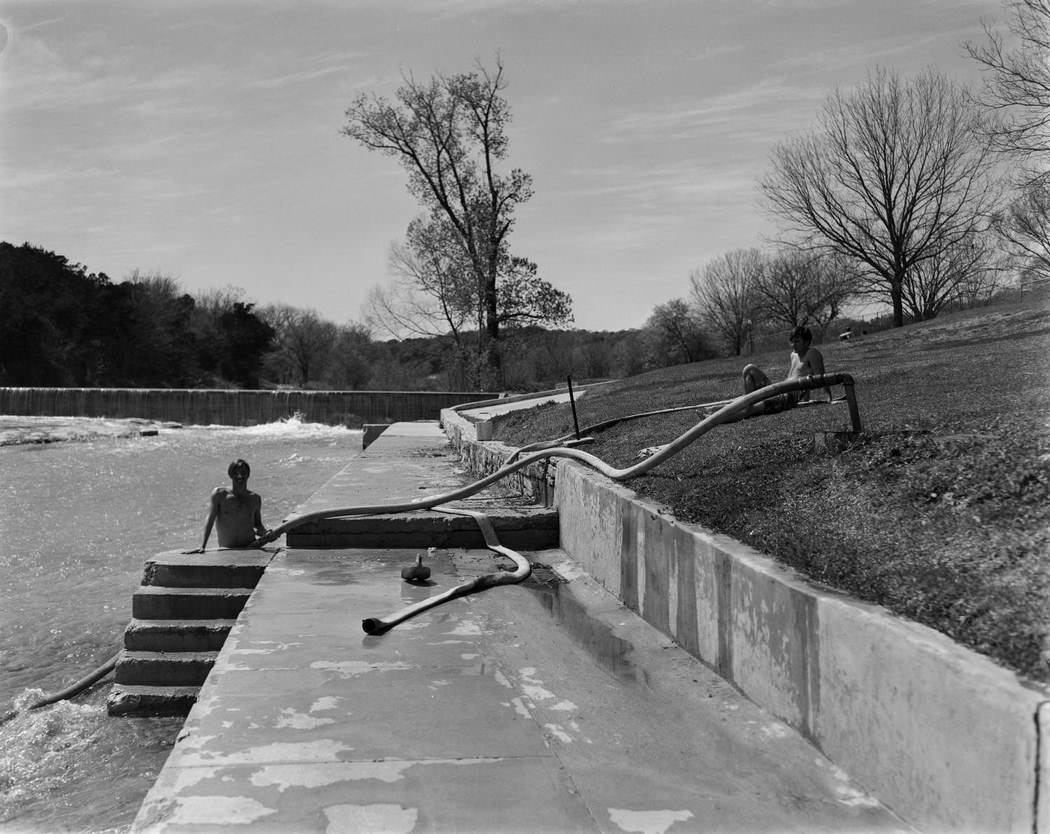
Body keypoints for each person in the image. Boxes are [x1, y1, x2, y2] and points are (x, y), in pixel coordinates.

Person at [741, 325, 832, 414]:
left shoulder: (812, 353)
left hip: (788, 399)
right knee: (749, 369)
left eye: (797, 341)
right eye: (792, 342)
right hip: (780, 391)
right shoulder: (793, 355)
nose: (793, 345)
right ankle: (748, 403)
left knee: (746, 411)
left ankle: (748, 407)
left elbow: (821, 379)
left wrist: (829, 398)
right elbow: (793, 375)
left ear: (807, 342)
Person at [185, 459, 269, 552]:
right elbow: (210, 520)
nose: (240, 476)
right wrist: (203, 546)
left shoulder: (255, 498)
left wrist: (266, 533)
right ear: (230, 475)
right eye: (236, 473)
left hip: (250, 547)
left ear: (248, 474)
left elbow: (258, 524)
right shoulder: (220, 494)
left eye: (243, 473)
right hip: (227, 550)